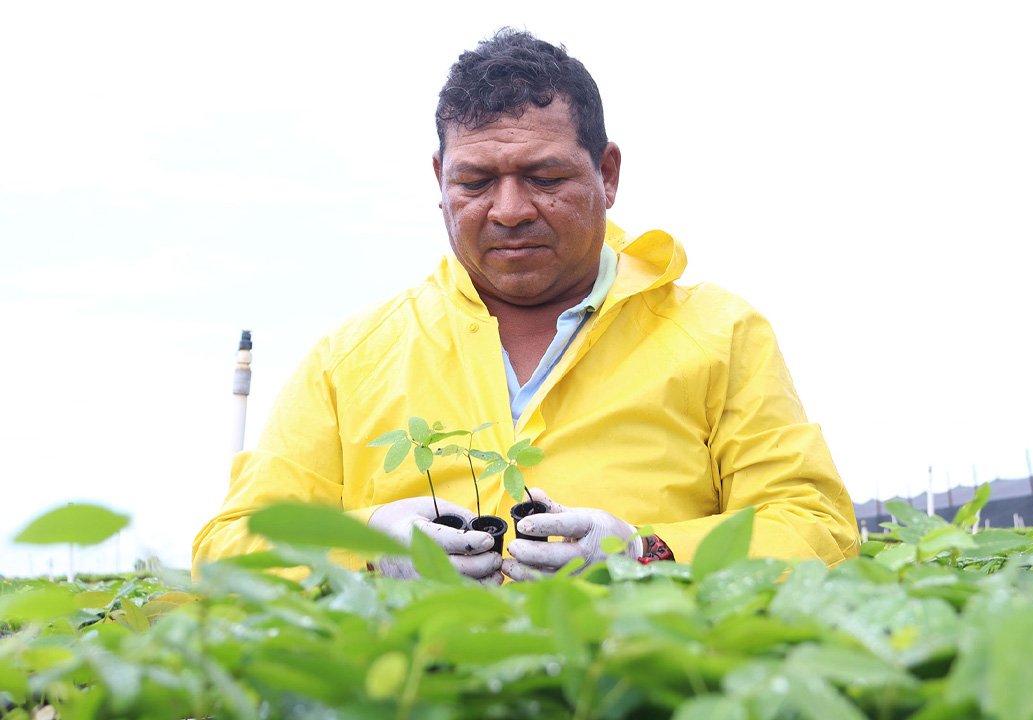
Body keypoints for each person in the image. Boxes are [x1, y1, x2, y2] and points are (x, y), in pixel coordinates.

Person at [192, 29, 859, 583]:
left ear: (608, 174)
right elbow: (227, 553)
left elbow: (816, 528)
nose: (509, 210)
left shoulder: (720, 334)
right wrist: (367, 545)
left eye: (545, 177)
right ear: (439, 180)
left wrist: (645, 554)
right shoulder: (349, 361)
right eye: (476, 182)